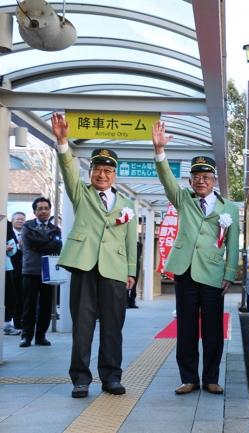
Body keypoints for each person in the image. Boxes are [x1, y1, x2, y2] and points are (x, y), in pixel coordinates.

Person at [50, 112, 137, 399]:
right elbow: (67, 171)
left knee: (114, 328)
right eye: (97, 169)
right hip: (84, 265)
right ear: (90, 172)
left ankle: (111, 377)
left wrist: (131, 271)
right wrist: (62, 142)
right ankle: (80, 379)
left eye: (108, 170)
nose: (102, 174)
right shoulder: (81, 193)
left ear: (115, 174)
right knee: (83, 326)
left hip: (114, 269)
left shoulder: (126, 204)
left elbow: (130, 240)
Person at [152, 120, 240, 395]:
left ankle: (211, 378)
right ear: (190, 181)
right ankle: (189, 378)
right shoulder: (183, 200)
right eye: (196, 177)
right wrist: (159, 151)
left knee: (214, 329)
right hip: (185, 271)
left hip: (213, 274)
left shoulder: (230, 209)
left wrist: (229, 274)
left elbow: (234, 244)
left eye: (207, 177)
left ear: (214, 181)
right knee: (187, 328)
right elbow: (167, 180)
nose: (201, 181)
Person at [20, 198, 62, 347]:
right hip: (31, 270)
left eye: (46, 208)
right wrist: (47, 243)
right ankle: (26, 337)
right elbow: (31, 242)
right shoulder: (27, 227)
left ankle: (41, 336)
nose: (43, 211)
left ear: (50, 210)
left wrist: (39, 246)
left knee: (46, 305)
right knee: (29, 305)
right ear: (35, 212)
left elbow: (56, 247)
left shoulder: (55, 229)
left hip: (48, 272)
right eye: (40, 208)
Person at [10, 212, 26, 331]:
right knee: (11, 295)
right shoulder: (8, 233)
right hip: (11, 269)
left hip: (24, 270)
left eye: (22, 219)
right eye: (18, 219)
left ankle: (18, 321)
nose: (20, 221)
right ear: (12, 221)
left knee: (21, 297)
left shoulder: (26, 233)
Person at [4, 221, 19, 336]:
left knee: (9, 296)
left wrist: (8, 249)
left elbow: (13, 250)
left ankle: (7, 324)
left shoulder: (7, 225)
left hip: (5, 267)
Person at [127, 241, 143, 309]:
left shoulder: (139, 244)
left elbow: (139, 255)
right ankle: (127, 302)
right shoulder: (127, 243)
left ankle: (132, 301)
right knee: (126, 285)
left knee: (134, 284)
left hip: (136, 265)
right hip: (127, 265)